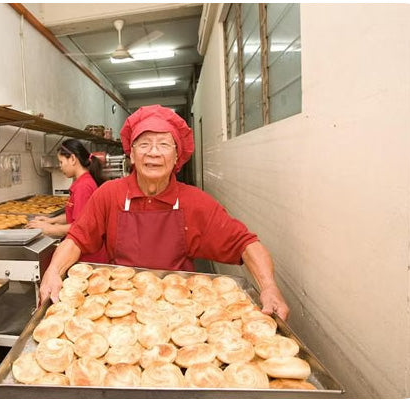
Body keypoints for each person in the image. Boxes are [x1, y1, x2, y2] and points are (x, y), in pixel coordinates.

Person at [38, 105, 290, 320]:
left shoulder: (195, 202)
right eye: (144, 144)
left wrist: (268, 287)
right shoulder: (109, 194)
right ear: (132, 155)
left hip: (179, 309)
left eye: (164, 144)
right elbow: (76, 239)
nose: (154, 152)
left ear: (177, 156)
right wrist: (53, 272)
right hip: (121, 308)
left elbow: (246, 243)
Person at [26, 138, 108, 263]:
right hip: (83, 250)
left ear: (73, 159)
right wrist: (51, 220)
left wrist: (49, 228)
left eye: (61, 162)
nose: (60, 167)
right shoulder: (82, 182)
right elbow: (77, 215)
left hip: (87, 255)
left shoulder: (83, 187)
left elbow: (81, 227)